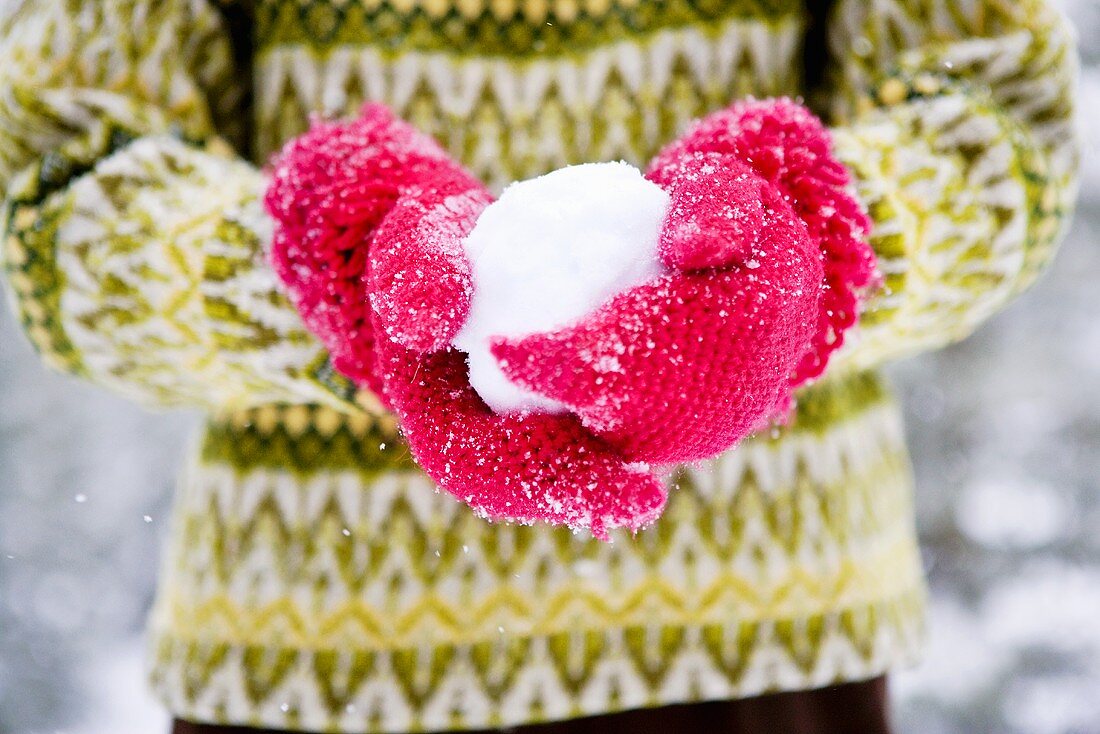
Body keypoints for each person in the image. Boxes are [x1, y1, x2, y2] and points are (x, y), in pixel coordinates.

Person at [0, 1, 1078, 733]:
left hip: (762, 653)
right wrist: (336, 267)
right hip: (316, 662)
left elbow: (1001, 123)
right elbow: (61, 189)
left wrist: (808, 257)